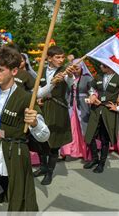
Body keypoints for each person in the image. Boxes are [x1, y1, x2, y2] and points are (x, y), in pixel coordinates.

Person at [0, 46, 50, 212]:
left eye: (1, 70)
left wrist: (35, 123)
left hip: (17, 155)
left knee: (18, 200)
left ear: (14, 71)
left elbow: (44, 136)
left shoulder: (27, 98)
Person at [34, 46, 77, 185]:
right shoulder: (41, 70)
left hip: (58, 107)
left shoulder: (65, 71)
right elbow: (38, 91)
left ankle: (49, 172)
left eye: (62, 57)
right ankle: (42, 166)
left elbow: (71, 83)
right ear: (49, 58)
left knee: (54, 142)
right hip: (43, 107)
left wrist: (70, 75)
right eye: (57, 57)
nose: (61, 60)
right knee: (40, 139)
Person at [84, 64, 119, 173]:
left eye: (103, 65)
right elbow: (91, 86)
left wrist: (118, 107)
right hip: (96, 110)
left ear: (110, 66)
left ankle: (101, 164)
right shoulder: (98, 76)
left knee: (104, 139)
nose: (101, 66)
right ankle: (94, 159)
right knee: (90, 136)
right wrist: (93, 94)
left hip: (109, 111)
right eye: (101, 65)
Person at [60, 58, 93, 160]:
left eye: (77, 68)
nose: (75, 70)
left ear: (82, 67)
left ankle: (85, 152)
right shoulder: (69, 78)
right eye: (73, 68)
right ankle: (68, 151)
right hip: (71, 105)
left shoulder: (87, 78)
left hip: (83, 105)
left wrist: (92, 97)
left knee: (83, 127)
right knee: (71, 127)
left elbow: (92, 91)